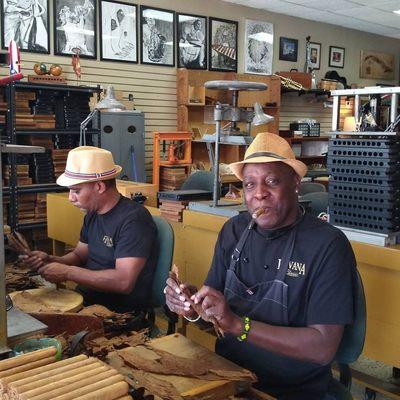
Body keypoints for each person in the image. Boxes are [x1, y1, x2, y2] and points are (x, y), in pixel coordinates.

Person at [165, 132, 356, 400]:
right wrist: (191, 304)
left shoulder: (326, 245)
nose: (259, 195)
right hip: (229, 374)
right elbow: (213, 317)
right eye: (250, 185)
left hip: (292, 388)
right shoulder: (234, 230)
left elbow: (322, 347)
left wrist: (238, 325)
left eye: (272, 182)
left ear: (295, 183)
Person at [21, 146, 157, 314]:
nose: (71, 198)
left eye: (76, 191)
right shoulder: (92, 214)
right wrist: (50, 259)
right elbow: (79, 256)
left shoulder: (134, 220)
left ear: (99, 186)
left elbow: (124, 282)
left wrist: (68, 273)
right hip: (87, 298)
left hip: (118, 310)